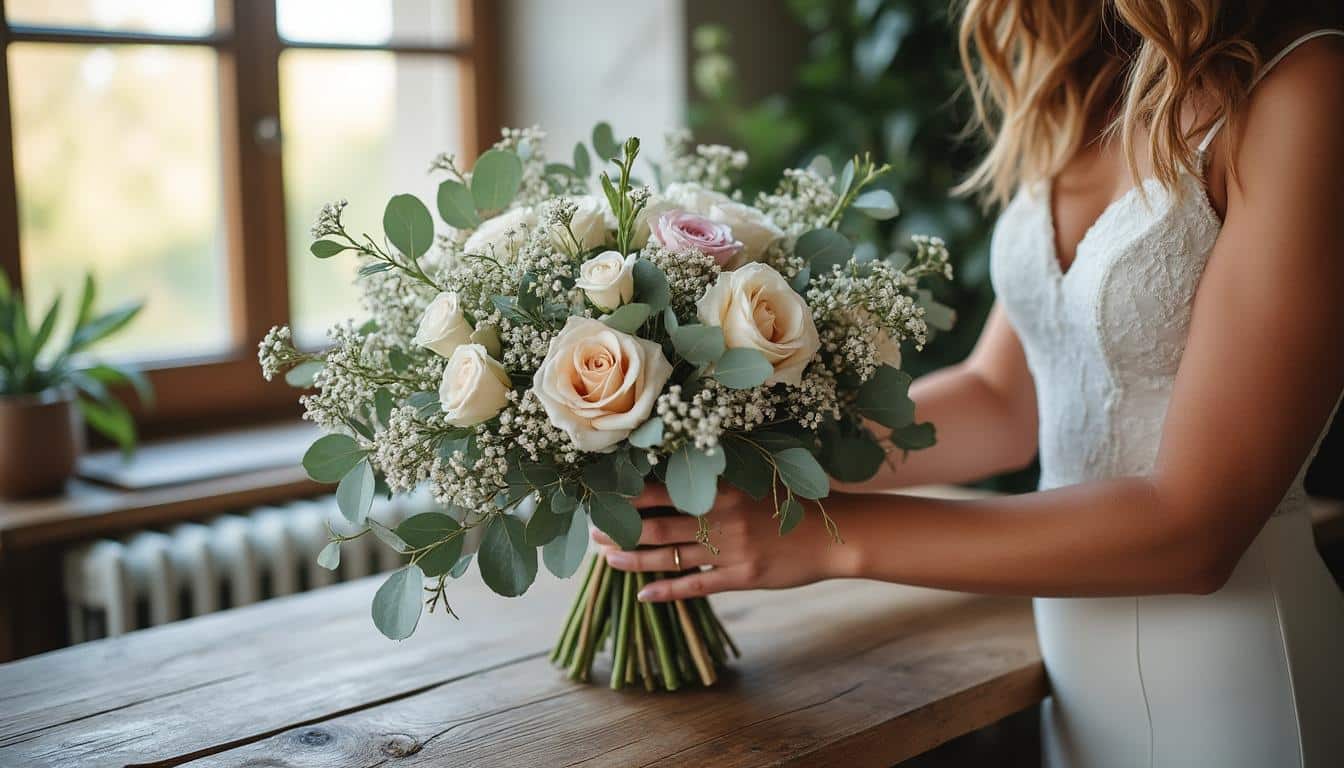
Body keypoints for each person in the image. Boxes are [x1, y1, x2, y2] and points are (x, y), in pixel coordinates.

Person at [593, 3, 1344, 765]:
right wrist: (739, 446)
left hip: (1238, 687)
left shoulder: (1303, 87)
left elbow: (1197, 531)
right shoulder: (1086, 73)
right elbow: (1004, 400)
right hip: (1082, 690)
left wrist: (820, 536)